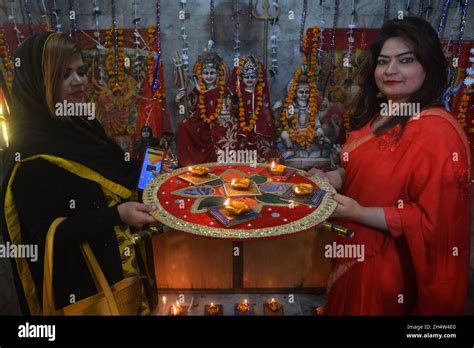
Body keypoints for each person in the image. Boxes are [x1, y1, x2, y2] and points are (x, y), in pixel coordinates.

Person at [308, 17, 471, 315]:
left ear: (429, 66)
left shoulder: (437, 131)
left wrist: (358, 212)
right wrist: (336, 177)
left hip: (390, 268)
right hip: (355, 253)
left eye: (405, 60)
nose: (390, 71)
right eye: (383, 62)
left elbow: (432, 222)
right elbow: (374, 171)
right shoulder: (382, 115)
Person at [0, 33, 157, 315]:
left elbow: (113, 172)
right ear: (38, 83)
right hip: (83, 287)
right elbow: (43, 239)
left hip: (117, 266)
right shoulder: (30, 157)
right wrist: (116, 215)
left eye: (81, 72)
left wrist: (155, 170)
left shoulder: (82, 125)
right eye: (64, 75)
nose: (79, 81)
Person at [176, 49, 237, 166]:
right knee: (184, 125)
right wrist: (179, 101)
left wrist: (232, 106)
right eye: (206, 73)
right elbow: (190, 113)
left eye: (212, 73)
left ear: (218, 74)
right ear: (200, 74)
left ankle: (223, 164)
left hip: (219, 123)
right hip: (202, 124)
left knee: (227, 128)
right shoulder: (196, 90)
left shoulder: (224, 91)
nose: (209, 76)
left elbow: (232, 111)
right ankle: (189, 163)